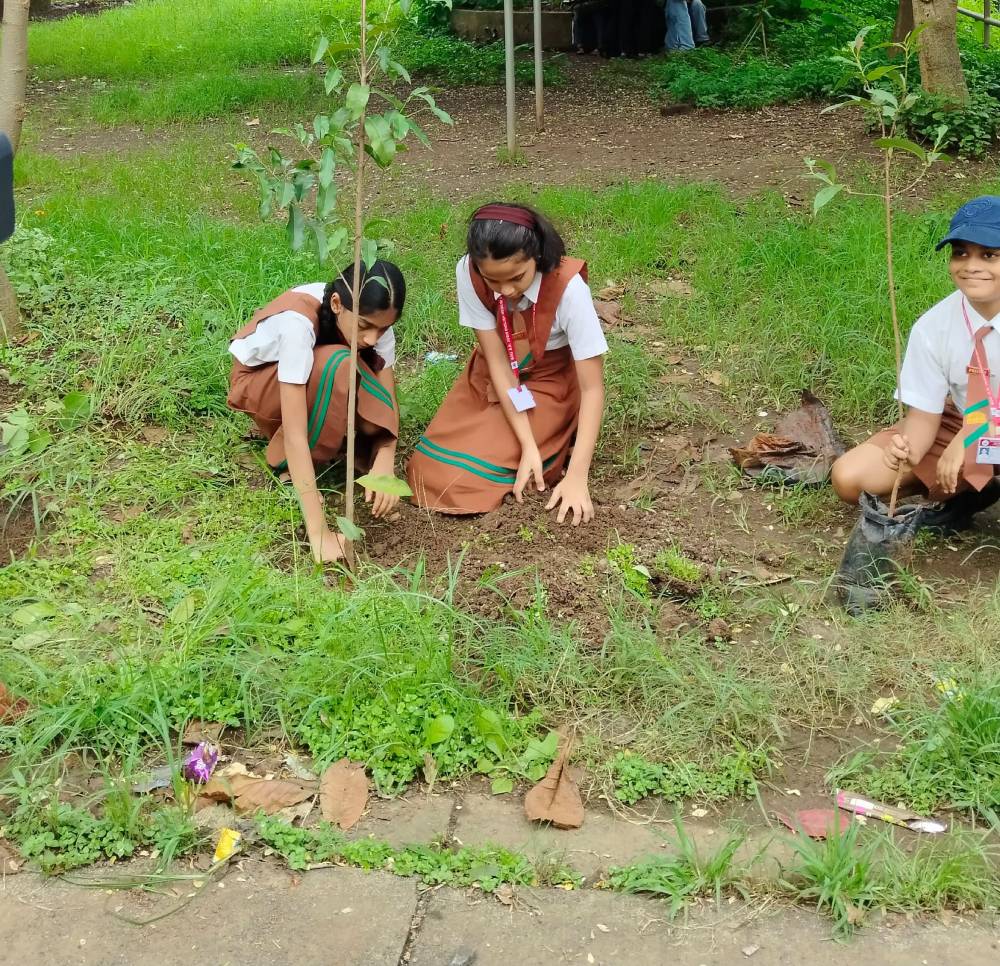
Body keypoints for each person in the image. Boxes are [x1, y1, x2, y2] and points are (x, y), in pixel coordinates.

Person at [407, 203, 607, 524]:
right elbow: (498, 363)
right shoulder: (468, 272)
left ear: (537, 256)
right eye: (493, 281)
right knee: (427, 470)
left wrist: (577, 478)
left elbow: (593, 387)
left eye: (516, 277)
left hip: (550, 379)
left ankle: (556, 437)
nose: (506, 291)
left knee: (478, 480)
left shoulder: (569, 290)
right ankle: (528, 440)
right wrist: (527, 443)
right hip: (493, 374)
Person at [227, 260, 406, 562]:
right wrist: (319, 533)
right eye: (364, 326)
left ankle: (343, 445)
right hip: (261, 387)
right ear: (337, 304)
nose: (373, 338)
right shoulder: (297, 324)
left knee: (344, 365)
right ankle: (288, 465)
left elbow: (386, 400)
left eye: (383, 328)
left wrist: (385, 459)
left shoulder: (373, 322)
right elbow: (296, 434)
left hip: (312, 377)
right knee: (339, 364)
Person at [832, 196, 1000, 514]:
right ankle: (971, 488)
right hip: (962, 419)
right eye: (960, 253)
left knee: (977, 444)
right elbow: (924, 417)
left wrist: (973, 437)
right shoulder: (934, 326)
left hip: (984, 427)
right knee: (849, 476)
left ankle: (977, 464)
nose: (971, 266)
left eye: (989, 255)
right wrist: (908, 449)